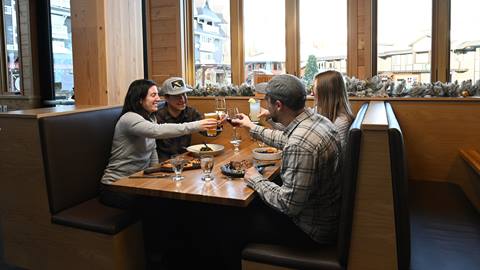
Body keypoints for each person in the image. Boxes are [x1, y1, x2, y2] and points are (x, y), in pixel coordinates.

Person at [234, 74, 343, 246]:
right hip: (326, 219)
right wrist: (251, 127)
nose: (265, 105)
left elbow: (288, 205)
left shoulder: (300, 144)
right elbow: (286, 139)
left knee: (230, 221)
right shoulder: (319, 121)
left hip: (309, 231)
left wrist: (255, 179)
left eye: (267, 101)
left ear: (278, 105)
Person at [100, 79, 217, 208]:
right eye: (153, 95)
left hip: (137, 181)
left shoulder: (150, 118)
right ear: (140, 99)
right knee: (167, 204)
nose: (158, 99)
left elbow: (152, 150)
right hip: (116, 186)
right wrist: (197, 125)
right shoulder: (129, 118)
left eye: (157, 94)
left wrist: (157, 177)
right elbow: (157, 131)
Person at [258, 70, 353, 148]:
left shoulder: (341, 122)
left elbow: (340, 159)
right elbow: (293, 127)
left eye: (314, 89)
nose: (312, 93)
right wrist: (270, 116)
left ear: (326, 93)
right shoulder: (318, 110)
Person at [155, 77, 203, 161]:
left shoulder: (191, 112)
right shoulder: (157, 116)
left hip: (185, 159)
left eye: (184, 94)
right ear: (166, 98)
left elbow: (207, 132)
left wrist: (217, 124)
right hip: (163, 163)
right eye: (177, 96)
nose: (183, 99)